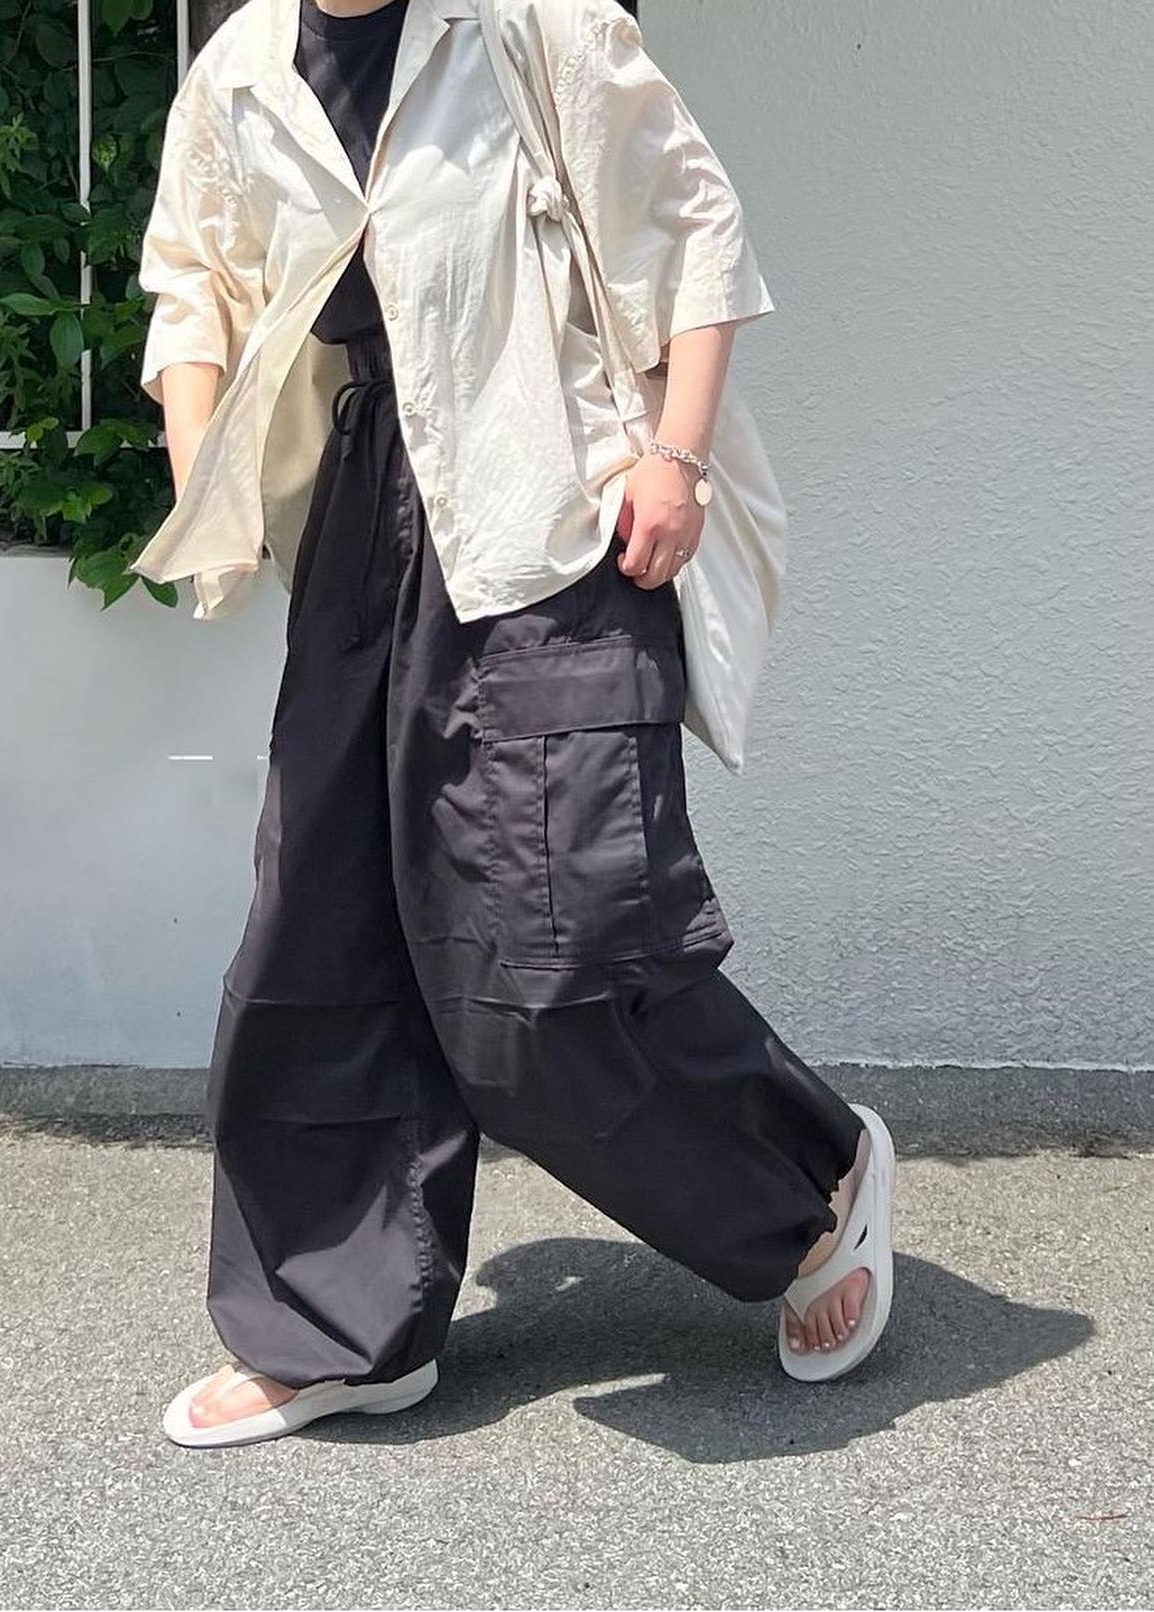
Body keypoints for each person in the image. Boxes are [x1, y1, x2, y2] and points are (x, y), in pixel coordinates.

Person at [133, 0, 898, 1450]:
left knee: (560, 945)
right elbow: (196, 283)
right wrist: (202, 476)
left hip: (555, 517)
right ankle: (341, 1327)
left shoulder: (531, 23)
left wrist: (677, 459)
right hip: (363, 526)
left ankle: (812, 1189)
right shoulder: (240, 67)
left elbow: (694, 230)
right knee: (323, 931)